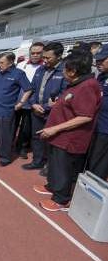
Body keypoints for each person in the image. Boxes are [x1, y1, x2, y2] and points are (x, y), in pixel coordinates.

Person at [33, 51, 101, 212]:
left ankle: (61, 200)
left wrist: (55, 128)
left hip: (69, 138)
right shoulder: (77, 84)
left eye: (64, 69)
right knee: (56, 165)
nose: (62, 72)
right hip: (59, 137)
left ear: (73, 71)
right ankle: (53, 187)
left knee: (64, 168)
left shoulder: (87, 86)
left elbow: (85, 116)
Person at [0, 52, 32, 167]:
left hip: (6, 110)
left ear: (11, 62)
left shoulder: (19, 74)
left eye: (2, 62)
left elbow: (28, 89)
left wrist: (21, 103)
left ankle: (5, 157)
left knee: (5, 135)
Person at [22, 42, 67, 175]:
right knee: (36, 137)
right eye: (44, 57)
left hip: (53, 113)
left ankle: (49, 165)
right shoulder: (40, 69)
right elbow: (32, 89)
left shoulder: (65, 70)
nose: (45, 60)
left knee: (51, 139)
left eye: (48, 58)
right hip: (36, 110)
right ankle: (37, 161)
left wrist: (46, 107)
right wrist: (33, 104)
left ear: (59, 56)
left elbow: (64, 94)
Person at [15, 42, 44, 159]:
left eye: (38, 53)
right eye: (33, 53)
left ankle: (22, 147)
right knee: (13, 124)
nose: (35, 55)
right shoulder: (21, 65)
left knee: (26, 127)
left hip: (32, 102)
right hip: (17, 100)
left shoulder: (44, 67)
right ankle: (8, 144)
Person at [86, 44, 108, 180]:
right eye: (97, 60)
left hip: (106, 129)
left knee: (99, 164)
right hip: (96, 124)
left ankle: (91, 192)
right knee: (92, 159)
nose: (98, 63)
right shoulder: (101, 77)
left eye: (102, 59)